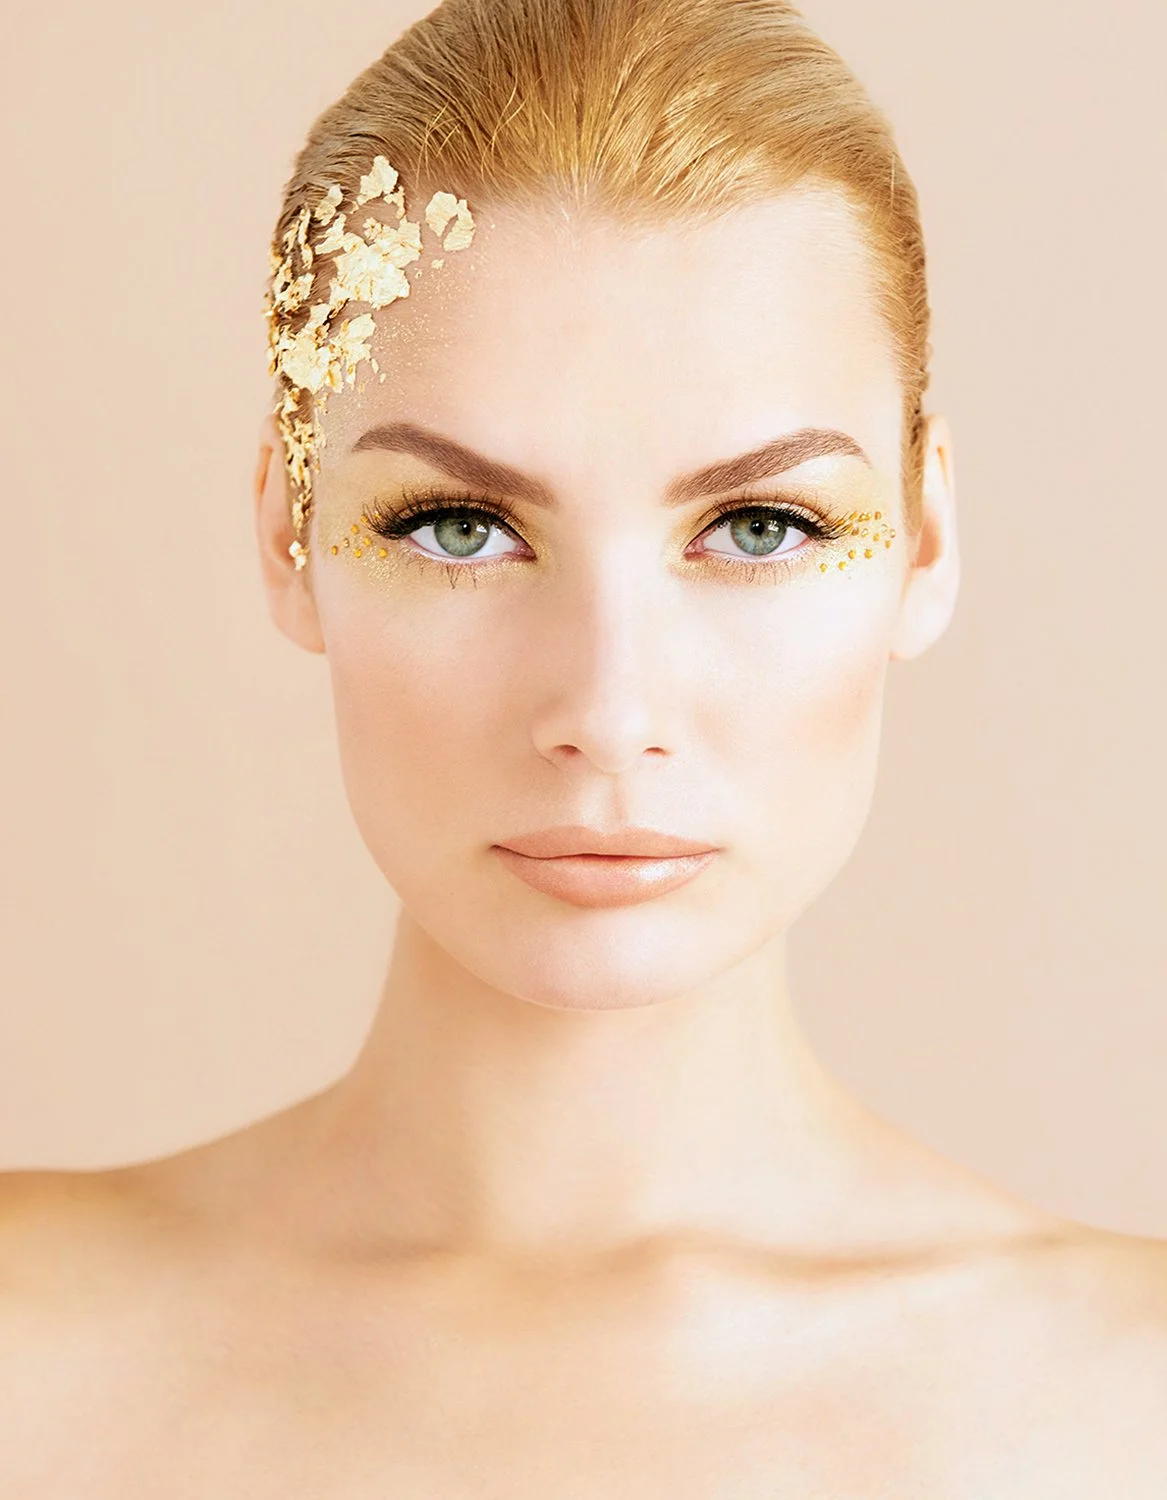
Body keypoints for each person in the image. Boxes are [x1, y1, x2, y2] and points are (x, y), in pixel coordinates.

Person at [2, 0, 1164, 1492]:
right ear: (290, 535)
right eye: (459, 527)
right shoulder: (24, 1355)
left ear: (923, 541)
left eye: (760, 527)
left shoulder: (1127, 1407)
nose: (608, 710)